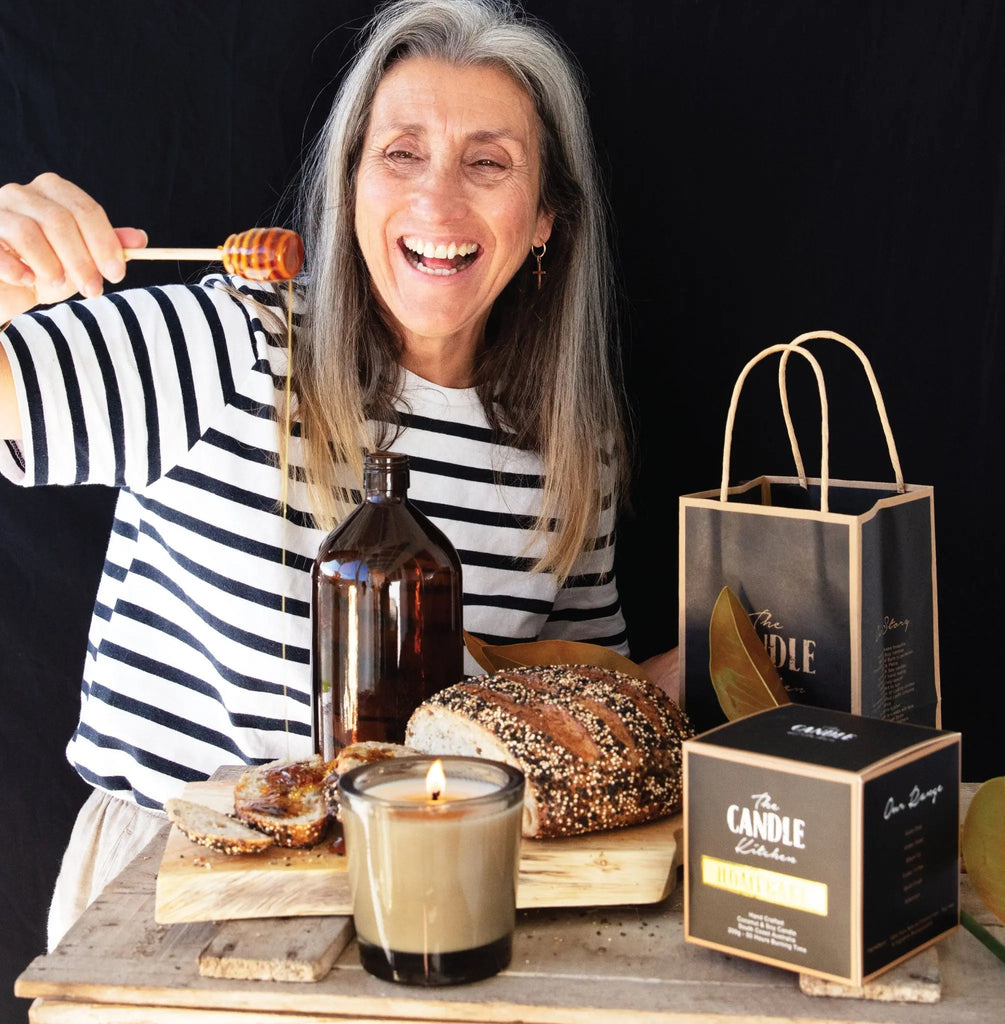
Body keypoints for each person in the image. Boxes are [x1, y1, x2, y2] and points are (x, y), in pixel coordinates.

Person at [0, 0, 677, 949]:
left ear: (545, 226)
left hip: (441, 893)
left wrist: (754, 655)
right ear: (351, 185)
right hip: (170, 896)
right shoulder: (229, 342)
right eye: (401, 153)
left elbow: (565, 706)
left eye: (488, 163)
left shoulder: (571, 449)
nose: (439, 203)